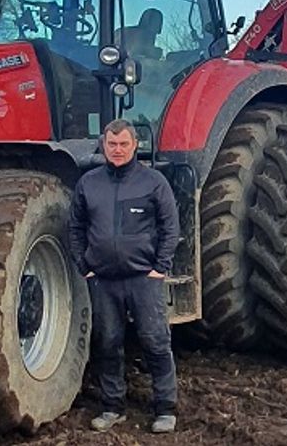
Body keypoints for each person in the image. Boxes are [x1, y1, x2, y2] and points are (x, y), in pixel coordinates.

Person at [68, 119, 181, 434]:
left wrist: (160, 267)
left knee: (155, 341)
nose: (117, 150)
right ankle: (112, 407)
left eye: (123, 144)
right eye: (112, 144)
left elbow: (171, 228)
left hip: (143, 278)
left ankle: (165, 408)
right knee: (107, 342)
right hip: (103, 279)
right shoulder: (88, 183)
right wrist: (84, 266)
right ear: (103, 145)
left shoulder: (153, 182)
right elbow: (75, 228)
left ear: (135, 145)